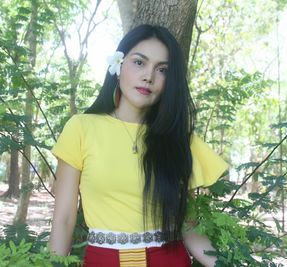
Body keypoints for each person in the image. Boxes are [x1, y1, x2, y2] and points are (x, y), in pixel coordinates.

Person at [49, 24, 228, 267]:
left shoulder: (178, 139)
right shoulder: (81, 128)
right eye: (139, 62)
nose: (149, 76)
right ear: (118, 64)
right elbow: (64, 219)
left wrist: (224, 264)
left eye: (162, 69)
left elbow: (188, 224)